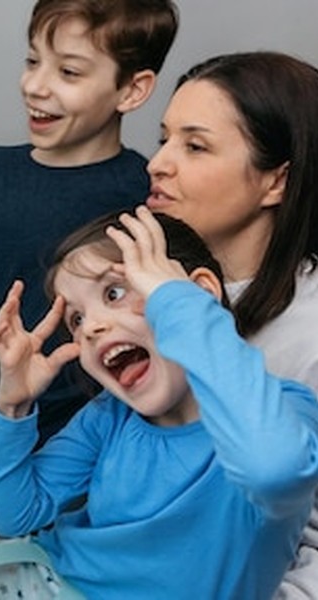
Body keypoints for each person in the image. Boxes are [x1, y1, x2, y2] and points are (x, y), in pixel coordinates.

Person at [0, 206, 318, 599]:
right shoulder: (108, 416)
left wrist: (181, 303)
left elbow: (274, 471)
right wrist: (13, 404)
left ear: (195, 296)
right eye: (76, 319)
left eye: (114, 292)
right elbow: (14, 514)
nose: (91, 328)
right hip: (43, 577)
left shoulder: (284, 413)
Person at [0, 0, 179, 476]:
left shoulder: (147, 196)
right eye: (33, 61)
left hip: (84, 462)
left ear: (132, 89)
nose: (35, 86)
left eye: (69, 72)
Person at [144, 51, 318, 598]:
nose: (157, 163)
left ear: (276, 182)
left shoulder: (309, 333)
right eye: (163, 139)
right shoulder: (157, 284)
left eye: (194, 146)